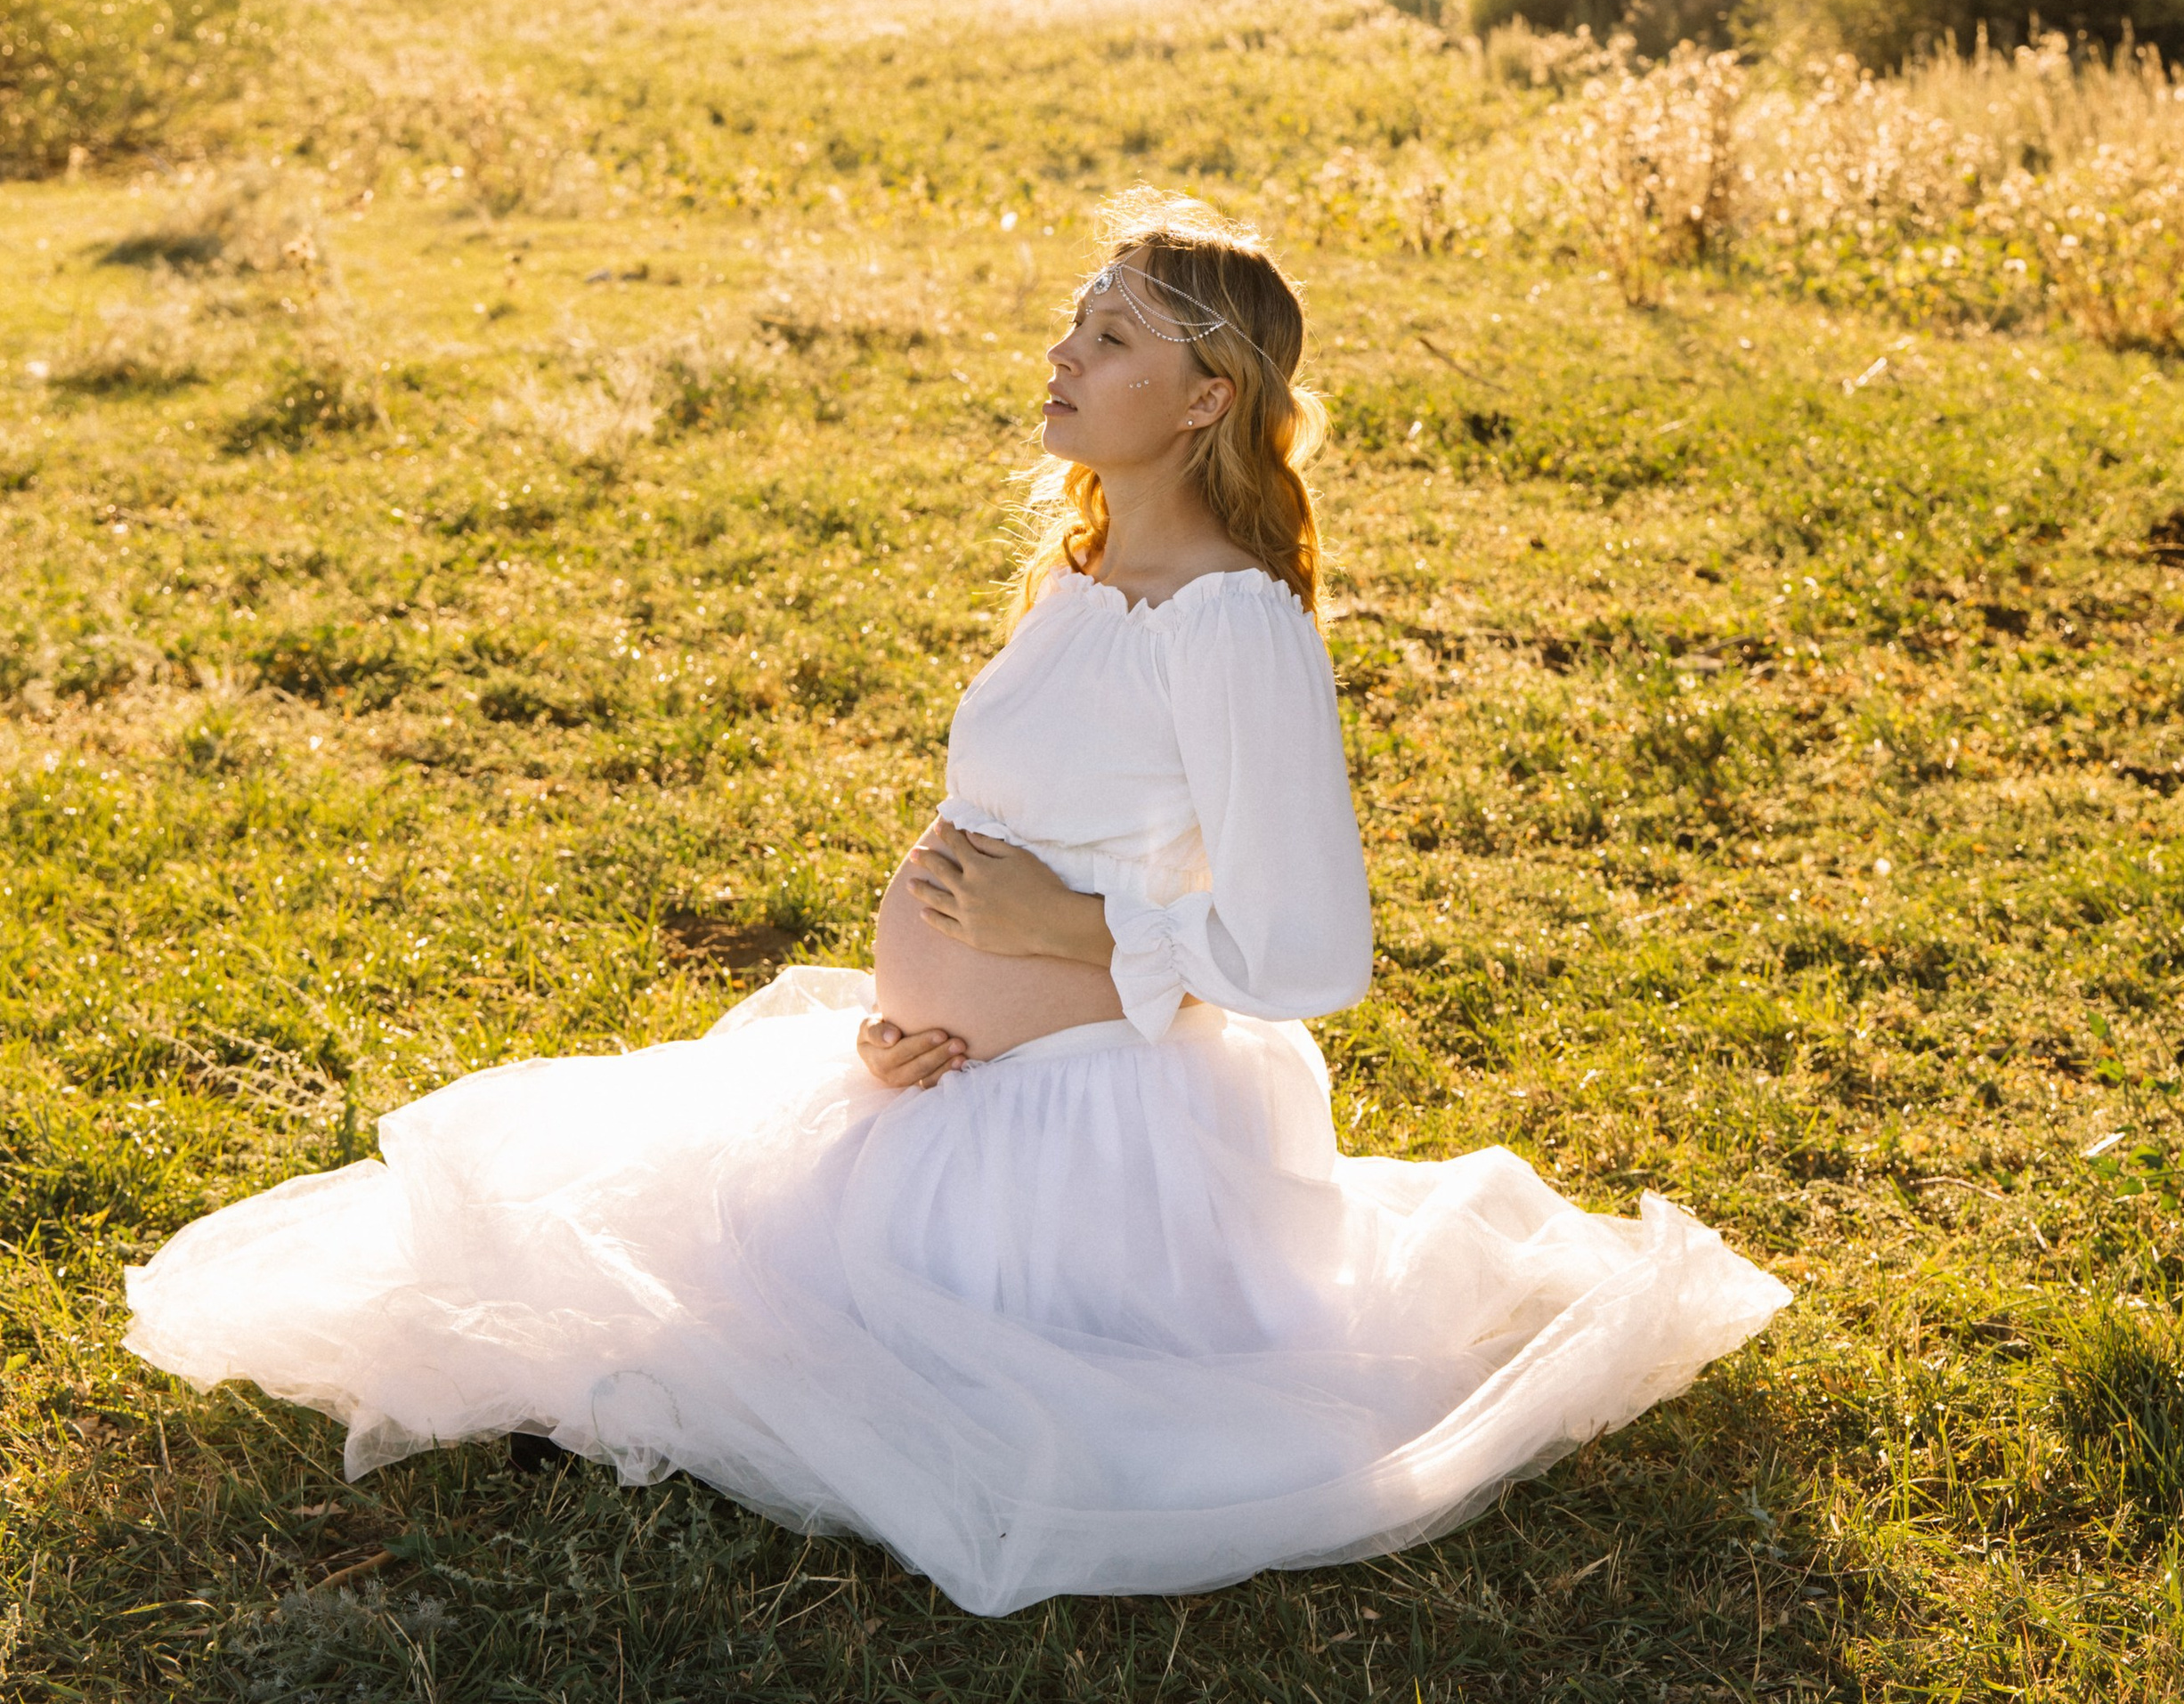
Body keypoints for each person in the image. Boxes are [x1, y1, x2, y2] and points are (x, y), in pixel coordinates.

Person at [125, 198, 1787, 1618]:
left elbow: (1308, 956)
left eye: (1115, 334)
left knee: (854, 1382)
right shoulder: (1079, 576)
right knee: (595, 1276)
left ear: (1209, 395)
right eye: (1076, 318)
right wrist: (908, 1005)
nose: (1065, 353)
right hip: (936, 1078)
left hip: (1087, 1152)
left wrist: (1059, 940)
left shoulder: (1232, 626)